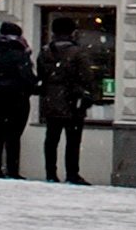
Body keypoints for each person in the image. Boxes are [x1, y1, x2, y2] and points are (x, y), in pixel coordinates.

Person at [40, 23, 101, 184]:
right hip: (72, 101)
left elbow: (41, 75)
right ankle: (72, 173)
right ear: (72, 33)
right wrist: (92, 95)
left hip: (51, 100)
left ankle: (50, 173)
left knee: (51, 139)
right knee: (73, 140)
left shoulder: (45, 51)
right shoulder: (78, 53)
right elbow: (87, 77)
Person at [0, 17, 36, 179]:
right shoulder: (20, 54)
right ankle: (12, 169)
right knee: (14, 134)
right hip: (16, 97)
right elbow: (27, 77)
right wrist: (35, 87)